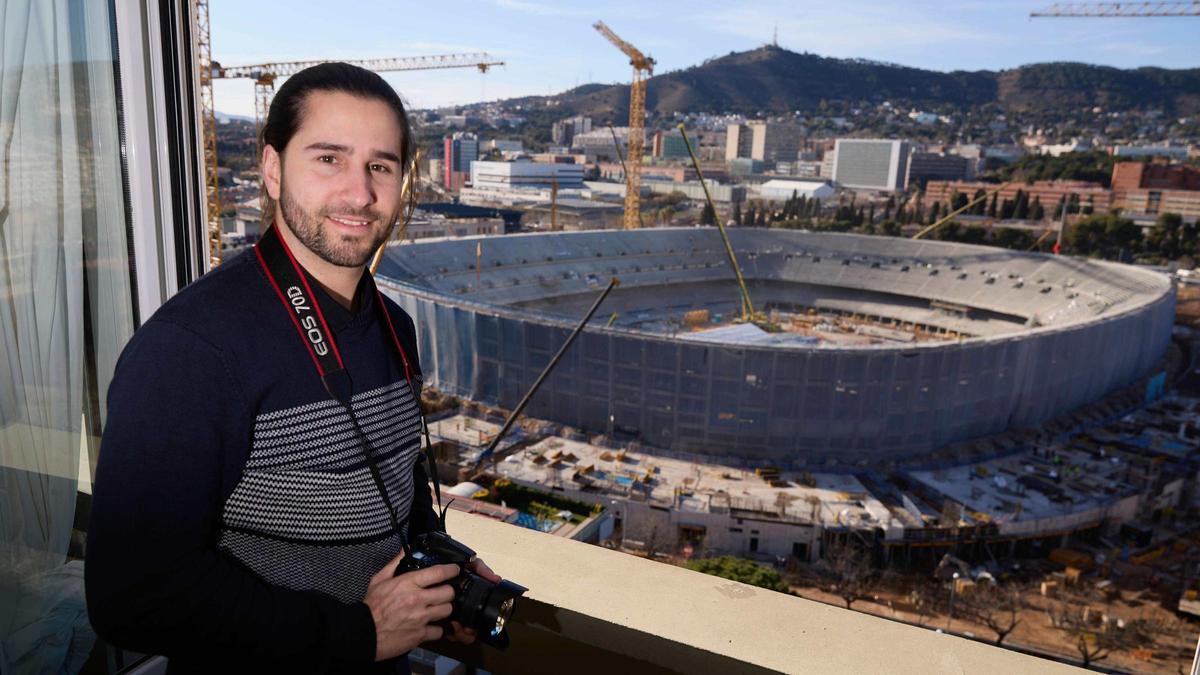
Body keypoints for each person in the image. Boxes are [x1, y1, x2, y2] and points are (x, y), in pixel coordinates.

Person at [85, 62, 497, 672]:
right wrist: (356, 633)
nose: (359, 193)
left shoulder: (394, 327)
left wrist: (439, 570)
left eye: (380, 166)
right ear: (273, 169)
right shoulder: (191, 349)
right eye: (328, 159)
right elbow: (131, 596)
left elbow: (386, 487)